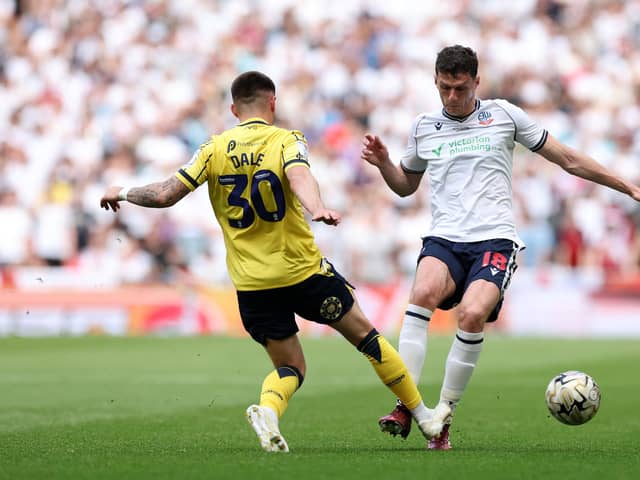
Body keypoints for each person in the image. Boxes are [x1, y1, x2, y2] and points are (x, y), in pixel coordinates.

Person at [100, 71, 439, 453]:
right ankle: (425, 417)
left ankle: (269, 411)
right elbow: (298, 175)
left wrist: (122, 191)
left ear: (233, 108)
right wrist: (317, 208)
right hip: (301, 272)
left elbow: (165, 195)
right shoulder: (286, 139)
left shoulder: (213, 149)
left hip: (252, 285)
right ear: (273, 103)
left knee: (291, 368)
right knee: (368, 339)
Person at [361, 45, 640, 450]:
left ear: (477, 81)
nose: (452, 98)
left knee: (472, 315)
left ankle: (443, 416)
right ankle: (406, 405)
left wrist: (626, 185)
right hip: (444, 237)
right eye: (444, 89)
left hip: (494, 239)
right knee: (420, 293)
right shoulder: (424, 126)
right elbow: (405, 186)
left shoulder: (504, 116)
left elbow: (567, 159)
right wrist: (385, 163)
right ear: (435, 83)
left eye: (459, 88)